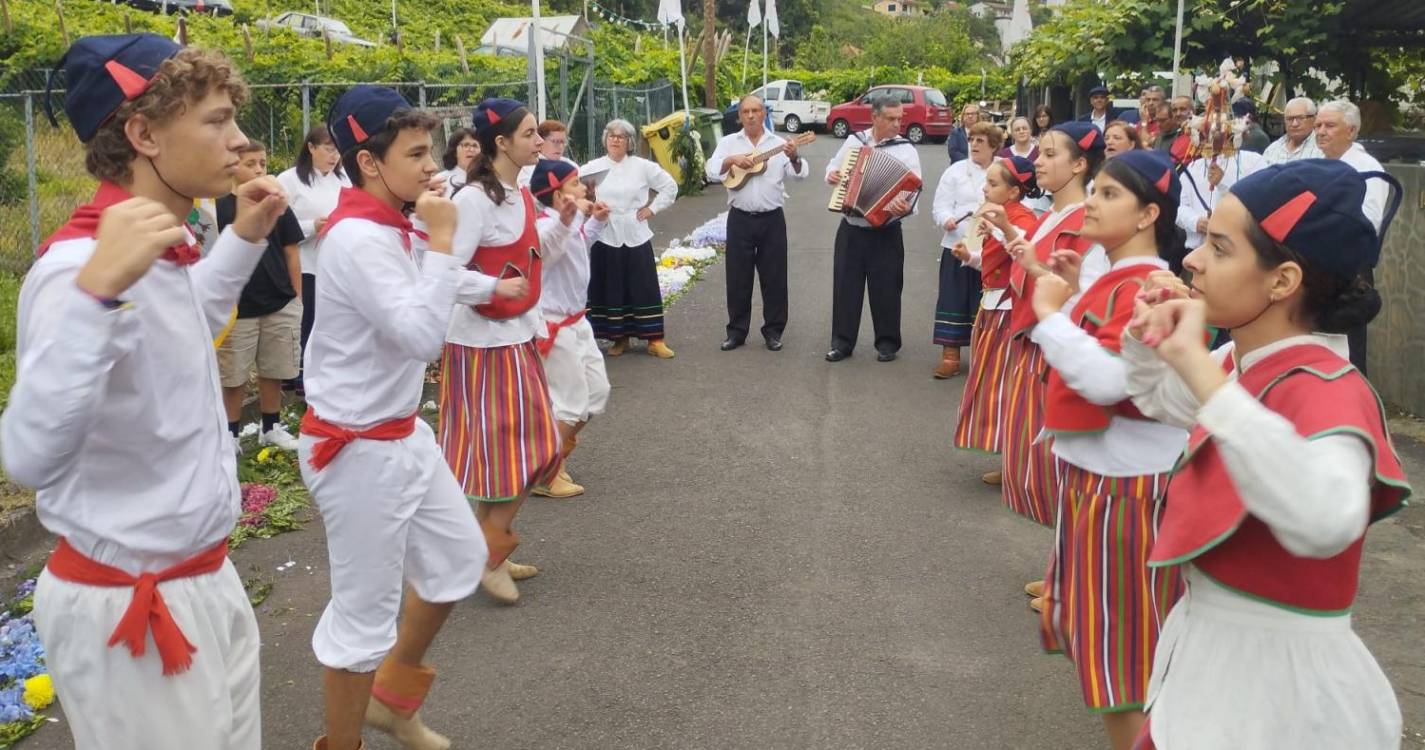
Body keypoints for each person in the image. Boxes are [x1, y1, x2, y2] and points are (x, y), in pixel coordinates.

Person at [3, 33, 285, 750]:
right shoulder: (78, 270)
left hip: (198, 579)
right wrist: (97, 295)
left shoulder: (151, 251)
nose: (240, 138)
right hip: (128, 601)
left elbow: (182, 318)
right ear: (143, 134)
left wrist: (246, 238)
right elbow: (27, 456)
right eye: (217, 119)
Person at [1124, 158, 1407, 750]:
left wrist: (1203, 372)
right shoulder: (1244, 364)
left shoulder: (1329, 388)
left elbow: (1325, 517)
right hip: (1216, 665)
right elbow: (1164, 399)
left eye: (1219, 248)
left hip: (1279, 699)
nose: (1193, 259)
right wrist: (1153, 341)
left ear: (1282, 282)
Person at [298, 85, 504, 750]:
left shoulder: (390, 223)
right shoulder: (357, 236)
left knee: (456, 560)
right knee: (361, 619)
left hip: (396, 432)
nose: (431, 165)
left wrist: (489, 286)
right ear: (368, 163)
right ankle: (342, 742)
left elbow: (422, 274)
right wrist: (447, 244)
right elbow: (420, 334)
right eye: (414, 153)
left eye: (431, 150)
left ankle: (389, 699)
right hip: (356, 448)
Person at [1026, 151, 1188, 749]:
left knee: (1123, 653)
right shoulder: (1120, 277)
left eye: (1109, 194)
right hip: (1109, 480)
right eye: (1092, 189)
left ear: (1149, 213)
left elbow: (1112, 383)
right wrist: (1068, 298)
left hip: (1125, 489)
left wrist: (1050, 315)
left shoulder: (1148, 283)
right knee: (1113, 644)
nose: (1090, 201)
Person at [444, 98, 581, 603]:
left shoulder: (519, 194)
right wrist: (490, 290)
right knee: (519, 455)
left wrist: (563, 220)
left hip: (515, 336)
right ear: (500, 143)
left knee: (519, 455)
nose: (538, 143)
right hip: (483, 344)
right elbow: (443, 272)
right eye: (528, 135)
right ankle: (486, 554)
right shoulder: (472, 201)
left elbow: (530, 249)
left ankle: (486, 551)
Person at [1000, 122, 1103, 586]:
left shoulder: (1081, 220)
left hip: (1052, 347)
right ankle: (1062, 567)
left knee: (1061, 465)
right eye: (1038, 154)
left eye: (1049, 154)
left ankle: (1070, 575)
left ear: (1079, 164)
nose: (1037, 161)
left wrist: (1032, 267)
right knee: (1044, 464)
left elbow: (1069, 289)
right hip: (1035, 341)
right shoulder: (1053, 213)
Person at [950, 155, 1042, 484]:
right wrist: (969, 257)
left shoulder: (1022, 218)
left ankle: (1016, 465)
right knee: (994, 383)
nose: (984, 188)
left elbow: (1022, 246)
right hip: (992, 308)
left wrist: (1002, 226)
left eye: (993, 183)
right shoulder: (1000, 216)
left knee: (1007, 387)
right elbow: (992, 262)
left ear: (1014, 192)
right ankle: (1009, 461)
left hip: (1008, 313)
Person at [527, 160, 611, 499]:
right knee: (570, 404)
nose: (584, 188)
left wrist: (597, 223)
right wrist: (566, 219)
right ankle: (545, 472)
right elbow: (547, 251)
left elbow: (579, 248)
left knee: (597, 393)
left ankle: (551, 456)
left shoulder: (570, 221)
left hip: (578, 322)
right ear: (560, 194)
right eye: (576, 184)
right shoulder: (543, 227)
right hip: (554, 326)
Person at [215, 139, 304, 452]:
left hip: (279, 300)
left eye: (262, 164)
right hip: (238, 307)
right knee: (233, 374)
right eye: (249, 163)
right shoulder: (218, 205)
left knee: (275, 369)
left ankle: (271, 426)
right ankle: (230, 435)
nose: (257, 170)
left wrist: (296, 296)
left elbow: (291, 249)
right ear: (232, 164)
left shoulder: (276, 202)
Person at [705, 94, 808, 352]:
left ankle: (773, 331)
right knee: (737, 277)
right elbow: (710, 169)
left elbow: (801, 175)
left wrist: (795, 157)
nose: (751, 115)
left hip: (772, 219)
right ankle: (736, 332)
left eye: (756, 111)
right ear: (739, 116)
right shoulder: (729, 142)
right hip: (739, 219)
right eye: (746, 111)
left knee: (774, 277)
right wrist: (732, 160)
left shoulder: (780, 144)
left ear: (764, 114)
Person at [824, 91, 921, 363]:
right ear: (874, 117)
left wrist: (907, 207)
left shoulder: (906, 149)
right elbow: (834, 166)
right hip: (851, 228)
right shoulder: (854, 142)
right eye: (891, 118)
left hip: (886, 232)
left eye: (899, 118)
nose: (897, 124)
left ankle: (887, 343)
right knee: (845, 287)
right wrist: (831, 174)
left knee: (887, 288)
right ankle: (842, 343)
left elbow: (915, 190)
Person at [581, 119, 679, 358]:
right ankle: (619, 338)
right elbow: (576, 191)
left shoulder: (642, 166)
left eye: (621, 136)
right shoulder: (592, 168)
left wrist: (651, 209)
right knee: (612, 286)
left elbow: (670, 187)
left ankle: (655, 339)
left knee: (643, 285)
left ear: (629, 142)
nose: (616, 139)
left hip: (636, 232)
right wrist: (590, 203)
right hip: (606, 233)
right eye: (612, 135)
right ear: (605, 139)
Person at [1316, 99, 1391, 374]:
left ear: (1351, 130)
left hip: (1348, 266)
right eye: (1319, 125)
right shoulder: (1318, 164)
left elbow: (1368, 220)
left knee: (1348, 345)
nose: (1321, 131)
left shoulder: (1366, 166)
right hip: (1316, 262)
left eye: (1329, 125)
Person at [277, 123, 349, 393]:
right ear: (311, 148)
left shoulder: (343, 180)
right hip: (304, 262)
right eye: (328, 149)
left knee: (328, 321)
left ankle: (323, 374)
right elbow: (279, 224)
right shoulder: (288, 180)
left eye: (337, 151)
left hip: (334, 263)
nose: (334, 156)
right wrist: (311, 227)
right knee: (304, 320)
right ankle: (296, 376)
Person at [930, 121, 1001, 378]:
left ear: (994, 146)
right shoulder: (956, 171)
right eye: (971, 140)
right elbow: (940, 205)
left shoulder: (1003, 171)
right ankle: (950, 357)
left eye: (980, 141)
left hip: (990, 247)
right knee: (953, 298)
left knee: (985, 302)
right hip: (957, 245)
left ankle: (984, 358)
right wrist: (945, 219)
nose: (974, 145)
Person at [1176, 148, 1268, 252]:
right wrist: (1195, 222)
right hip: (1196, 251)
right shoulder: (1193, 166)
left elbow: (1258, 203)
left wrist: (1223, 185)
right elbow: (1178, 207)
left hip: (1235, 253)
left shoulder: (1253, 161)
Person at [518, 119, 579, 186]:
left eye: (563, 142)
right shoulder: (528, 166)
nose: (560, 147)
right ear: (541, 141)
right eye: (556, 142)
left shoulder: (570, 165)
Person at [1263, 97, 1324, 164]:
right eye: (1289, 119)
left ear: (1314, 119)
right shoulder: (1272, 149)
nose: (1294, 124)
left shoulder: (1323, 149)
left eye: (1300, 118)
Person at [437, 126, 478, 196]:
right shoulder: (441, 180)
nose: (471, 149)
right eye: (466, 145)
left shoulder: (490, 179)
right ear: (454, 151)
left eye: (475, 146)